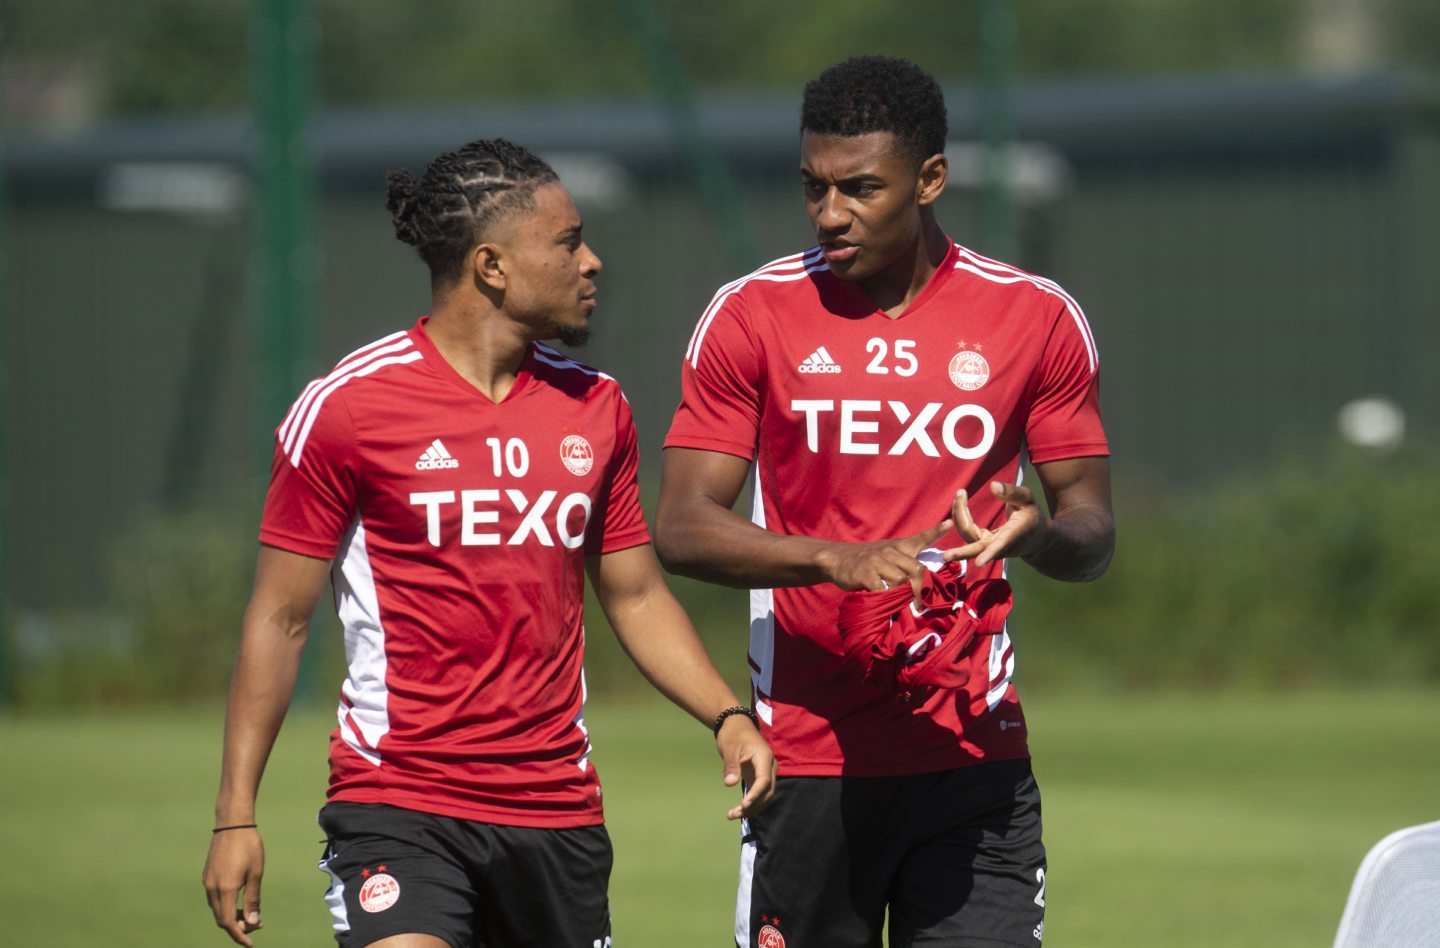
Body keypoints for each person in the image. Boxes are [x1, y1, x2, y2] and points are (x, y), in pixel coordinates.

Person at [202, 138, 775, 948]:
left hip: (556, 811)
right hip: (399, 800)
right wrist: (235, 817)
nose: (593, 261)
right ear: (492, 266)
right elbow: (279, 618)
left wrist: (726, 715)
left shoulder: (597, 406)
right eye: (568, 241)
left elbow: (637, 595)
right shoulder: (348, 408)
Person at [655, 55, 1114, 948]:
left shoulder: (1036, 317)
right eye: (814, 188)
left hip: (977, 754)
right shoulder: (752, 315)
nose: (831, 214)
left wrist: (1039, 536)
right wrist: (831, 557)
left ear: (931, 179)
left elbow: (1091, 533)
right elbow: (681, 526)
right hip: (809, 756)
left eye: (861, 189)